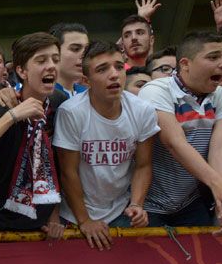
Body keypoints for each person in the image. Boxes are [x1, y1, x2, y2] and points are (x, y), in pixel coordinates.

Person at [0, 32, 68, 250]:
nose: (51, 66)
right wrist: (13, 116)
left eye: (55, 59)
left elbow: (55, 161)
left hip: (41, 226)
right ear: (21, 71)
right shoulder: (2, 107)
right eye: (41, 60)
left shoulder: (58, 102)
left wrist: (54, 214)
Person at [54, 42, 159, 250]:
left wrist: (137, 204)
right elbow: (68, 172)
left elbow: (143, 165)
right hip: (75, 214)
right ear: (86, 81)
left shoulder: (143, 110)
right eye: (102, 69)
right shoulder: (71, 112)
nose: (114, 75)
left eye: (119, 67)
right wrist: (85, 221)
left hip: (121, 211)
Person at [138, 31, 222, 227]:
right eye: (213, 57)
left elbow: (220, 149)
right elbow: (174, 142)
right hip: (147, 205)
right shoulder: (155, 90)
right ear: (185, 64)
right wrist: (218, 184)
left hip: (190, 204)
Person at [50, 23, 90, 97]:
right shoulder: (43, 95)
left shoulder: (89, 94)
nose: (84, 55)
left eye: (87, 49)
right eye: (75, 49)